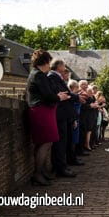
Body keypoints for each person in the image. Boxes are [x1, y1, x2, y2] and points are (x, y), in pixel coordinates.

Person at [26, 49, 70, 186]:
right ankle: (38, 173)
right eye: (48, 62)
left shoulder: (38, 74)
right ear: (45, 61)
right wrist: (59, 97)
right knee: (47, 141)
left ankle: (41, 171)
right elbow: (48, 94)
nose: (49, 65)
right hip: (41, 111)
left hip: (42, 110)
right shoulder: (38, 75)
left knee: (42, 142)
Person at [47, 59, 82, 178]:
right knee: (60, 142)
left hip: (63, 114)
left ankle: (62, 165)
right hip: (60, 114)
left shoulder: (56, 76)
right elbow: (62, 93)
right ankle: (60, 168)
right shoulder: (52, 76)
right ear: (59, 66)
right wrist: (77, 97)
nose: (65, 67)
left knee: (63, 141)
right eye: (63, 65)